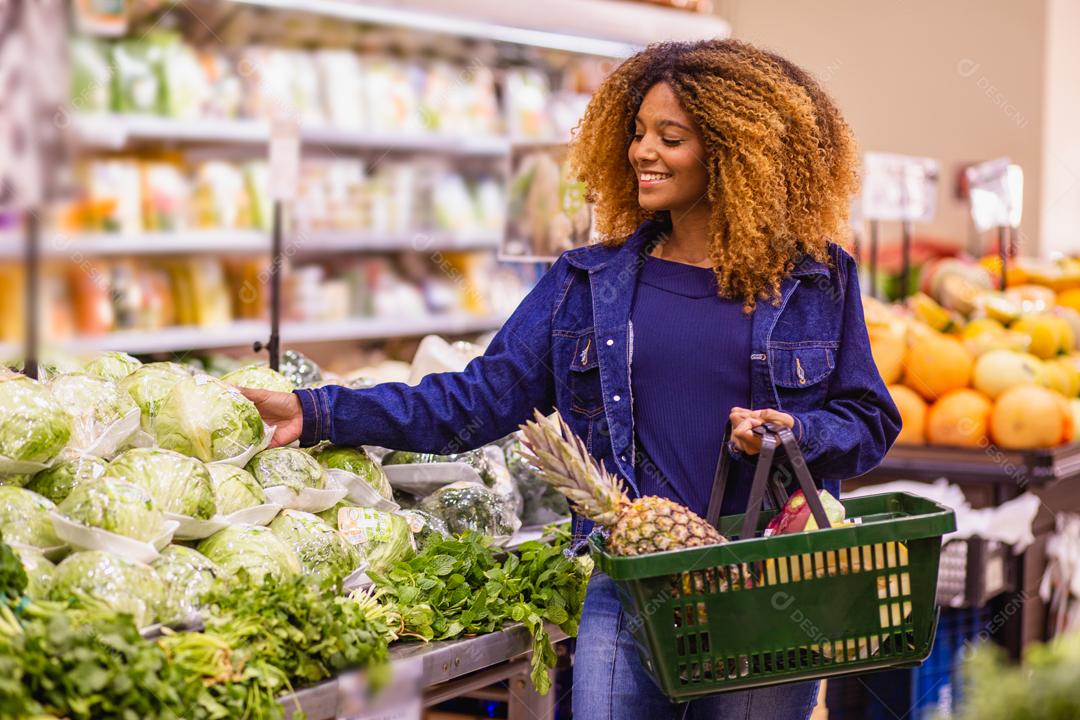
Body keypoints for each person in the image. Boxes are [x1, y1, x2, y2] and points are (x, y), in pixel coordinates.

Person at [241, 38, 900, 720]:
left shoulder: (817, 279)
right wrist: (316, 412)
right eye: (637, 133)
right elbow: (476, 401)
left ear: (737, 152)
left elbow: (870, 420)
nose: (643, 152)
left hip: (767, 585)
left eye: (670, 138)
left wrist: (797, 430)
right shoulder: (590, 282)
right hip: (630, 581)